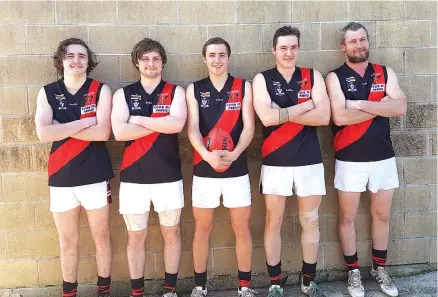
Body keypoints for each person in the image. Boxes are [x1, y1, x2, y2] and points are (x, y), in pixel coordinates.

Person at [325, 22, 407, 297]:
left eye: (362, 40)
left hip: (383, 157)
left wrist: (359, 104)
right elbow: (340, 117)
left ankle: (380, 268)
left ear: (368, 42)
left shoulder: (385, 72)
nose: (358, 45)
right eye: (352, 41)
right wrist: (382, 106)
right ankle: (353, 272)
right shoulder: (334, 77)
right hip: (349, 158)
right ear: (343, 47)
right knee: (348, 217)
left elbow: (401, 106)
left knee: (382, 214)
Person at [252, 26, 331, 297]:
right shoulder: (262, 79)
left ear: (299, 48)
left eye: (293, 47)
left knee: (310, 221)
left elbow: (323, 118)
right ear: (274, 50)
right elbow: (266, 118)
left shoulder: (312, 76)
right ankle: (275, 282)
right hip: (275, 161)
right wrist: (307, 105)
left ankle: (308, 281)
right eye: (283, 48)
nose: (289, 52)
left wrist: (282, 112)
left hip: (309, 161)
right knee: (273, 221)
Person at [35, 38, 114, 297]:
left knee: (101, 238)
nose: (76, 61)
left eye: (81, 56)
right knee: (68, 241)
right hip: (61, 176)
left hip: (95, 175)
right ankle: (69, 293)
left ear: (88, 61)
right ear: (61, 61)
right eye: (70, 56)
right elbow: (44, 133)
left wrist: (62, 127)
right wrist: (83, 123)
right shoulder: (47, 92)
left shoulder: (101, 90)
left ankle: (104, 291)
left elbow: (103, 133)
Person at [111, 38, 187, 297]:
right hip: (134, 178)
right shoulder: (123, 94)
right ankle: (137, 292)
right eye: (145, 59)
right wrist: (159, 122)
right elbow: (120, 132)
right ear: (136, 62)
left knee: (171, 233)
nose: (151, 63)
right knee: (136, 238)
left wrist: (139, 119)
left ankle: (169, 289)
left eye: (155, 59)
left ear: (162, 62)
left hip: (168, 177)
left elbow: (176, 124)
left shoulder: (175, 92)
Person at [186, 37, 256, 297]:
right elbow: (192, 128)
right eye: (212, 55)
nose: (217, 60)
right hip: (204, 168)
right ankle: (199, 287)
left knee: (242, 228)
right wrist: (207, 155)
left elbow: (249, 126)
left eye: (222, 55)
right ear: (204, 58)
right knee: (202, 229)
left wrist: (235, 153)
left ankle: (245, 287)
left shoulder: (243, 86)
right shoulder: (193, 89)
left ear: (229, 58)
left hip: (236, 168)